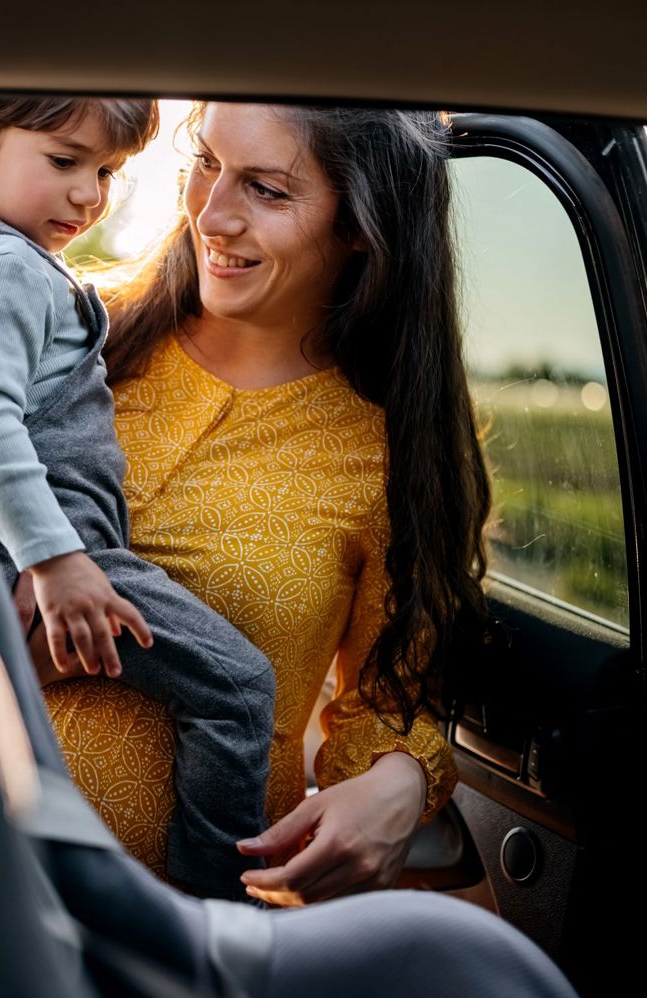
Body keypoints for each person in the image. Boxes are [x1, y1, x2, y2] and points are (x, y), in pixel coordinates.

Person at [35, 102, 491, 905]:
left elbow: (388, 701)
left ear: (361, 226)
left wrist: (399, 783)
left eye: (268, 190)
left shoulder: (384, 457)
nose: (212, 215)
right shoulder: (69, 333)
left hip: (187, 934)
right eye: (207, 162)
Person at [0, 96, 276, 900]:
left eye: (108, 172)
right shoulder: (10, 269)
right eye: (64, 161)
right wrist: (55, 561)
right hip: (66, 554)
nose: (89, 195)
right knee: (239, 689)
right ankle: (219, 908)